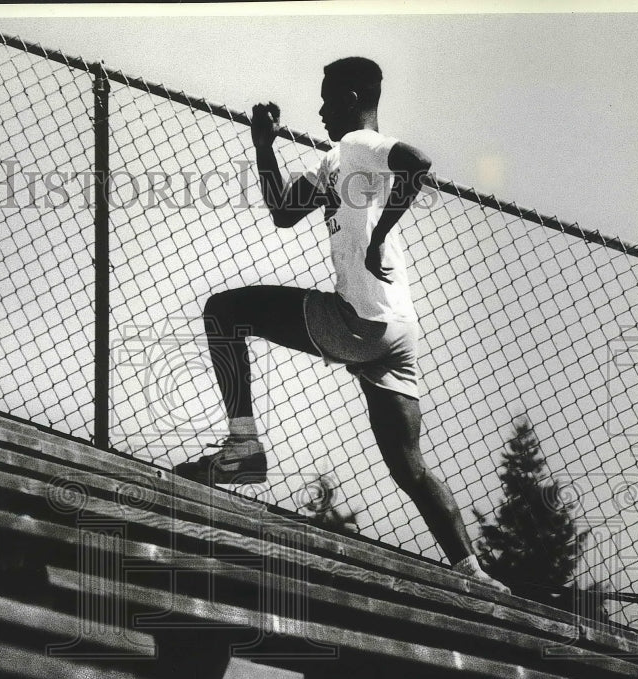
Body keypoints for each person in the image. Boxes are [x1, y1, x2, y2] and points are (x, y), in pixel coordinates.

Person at [174, 56, 509, 593]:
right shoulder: (337, 162)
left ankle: (244, 449)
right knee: (410, 468)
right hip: (396, 330)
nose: (322, 111)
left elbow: (418, 164)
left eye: (329, 99)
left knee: (224, 311)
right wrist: (266, 148)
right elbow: (283, 210)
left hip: (358, 321)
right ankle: (473, 572)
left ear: (354, 97)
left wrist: (377, 238)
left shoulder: (359, 145)